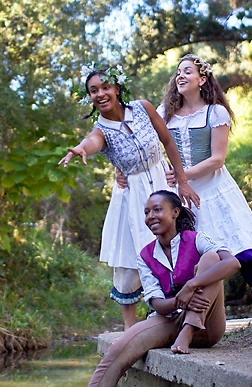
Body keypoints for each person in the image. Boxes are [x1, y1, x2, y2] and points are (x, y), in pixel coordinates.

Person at [42, 190, 240, 387]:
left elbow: (233, 263)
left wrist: (192, 285)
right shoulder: (145, 255)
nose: (151, 216)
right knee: (117, 351)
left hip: (208, 326)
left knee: (212, 261)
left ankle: (190, 330)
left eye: (157, 210)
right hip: (170, 317)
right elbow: (157, 303)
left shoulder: (196, 239)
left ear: (175, 212)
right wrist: (179, 303)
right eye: (147, 212)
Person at [116, 54, 252, 328]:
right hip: (178, 194)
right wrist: (121, 167)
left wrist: (182, 174)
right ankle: (170, 312)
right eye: (178, 72)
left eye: (188, 71)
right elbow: (141, 145)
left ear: (202, 79)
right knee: (178, 250)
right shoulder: (164, 114)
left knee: (239, 244)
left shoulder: (215, 112)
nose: (180, 76)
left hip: (213, 188)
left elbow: (217, 158)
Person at [59, 63, 200, 330]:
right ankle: (129, 329)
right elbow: (93, 141)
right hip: (133, 195)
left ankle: (179, 314)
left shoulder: (143, 108)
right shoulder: (101, 130)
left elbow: (168, 141)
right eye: (93, 91)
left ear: (117, 88)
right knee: (132, 255)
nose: (100, 94)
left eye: (105, 87)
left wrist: (181, 180)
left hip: (162, 183)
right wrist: (81, 148)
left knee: (178, 244)